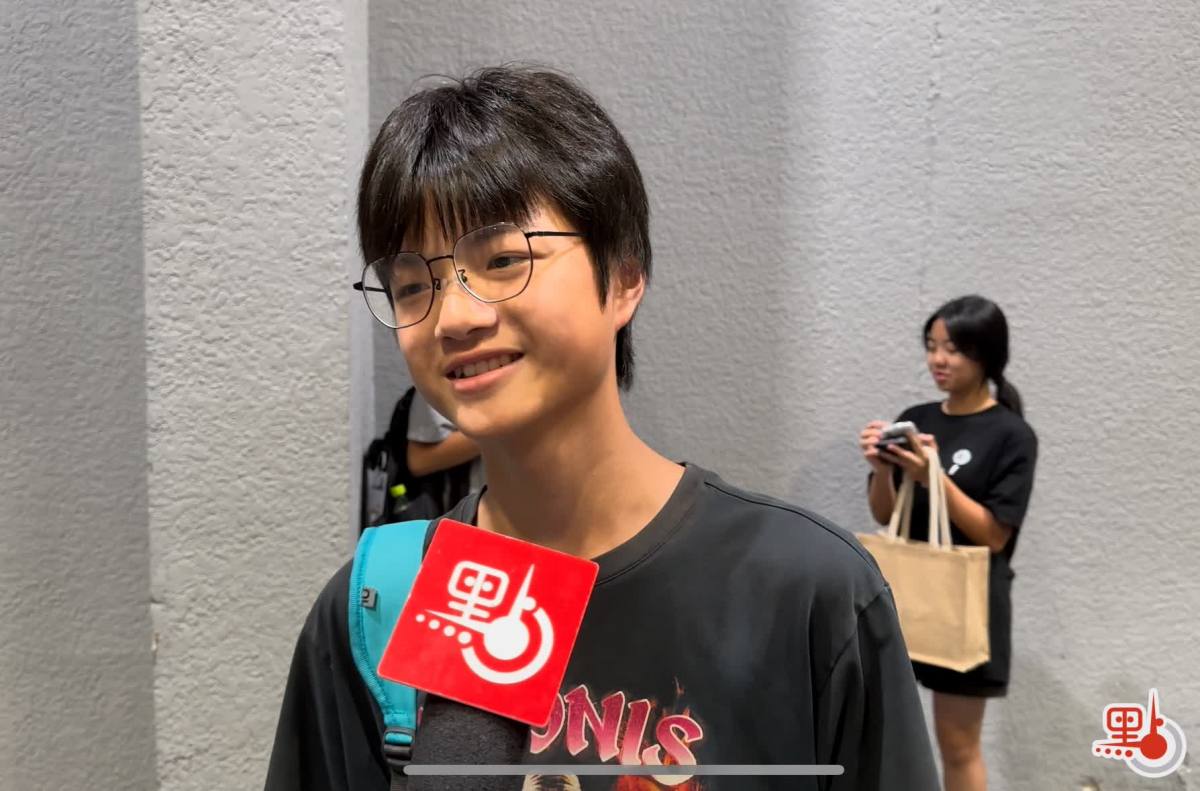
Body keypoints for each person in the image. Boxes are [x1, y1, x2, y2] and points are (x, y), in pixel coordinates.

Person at [266, 65, 937, 791]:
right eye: (410, 285)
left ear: (623, 275)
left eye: (502, 260)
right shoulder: (376, 605)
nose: (453, 316)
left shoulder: (807, 592)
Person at [859, 296, 1038, 791]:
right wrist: (881, 470)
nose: (938, 359)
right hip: (907, 596)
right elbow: (885, 514)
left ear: (987, 355)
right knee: (885, 736)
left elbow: (995, 534)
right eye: (932, 346)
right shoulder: (916, 418)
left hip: (967, 602)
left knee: (958, 746)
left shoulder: (1012, 434)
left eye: (953, 349)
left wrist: (933, 476)